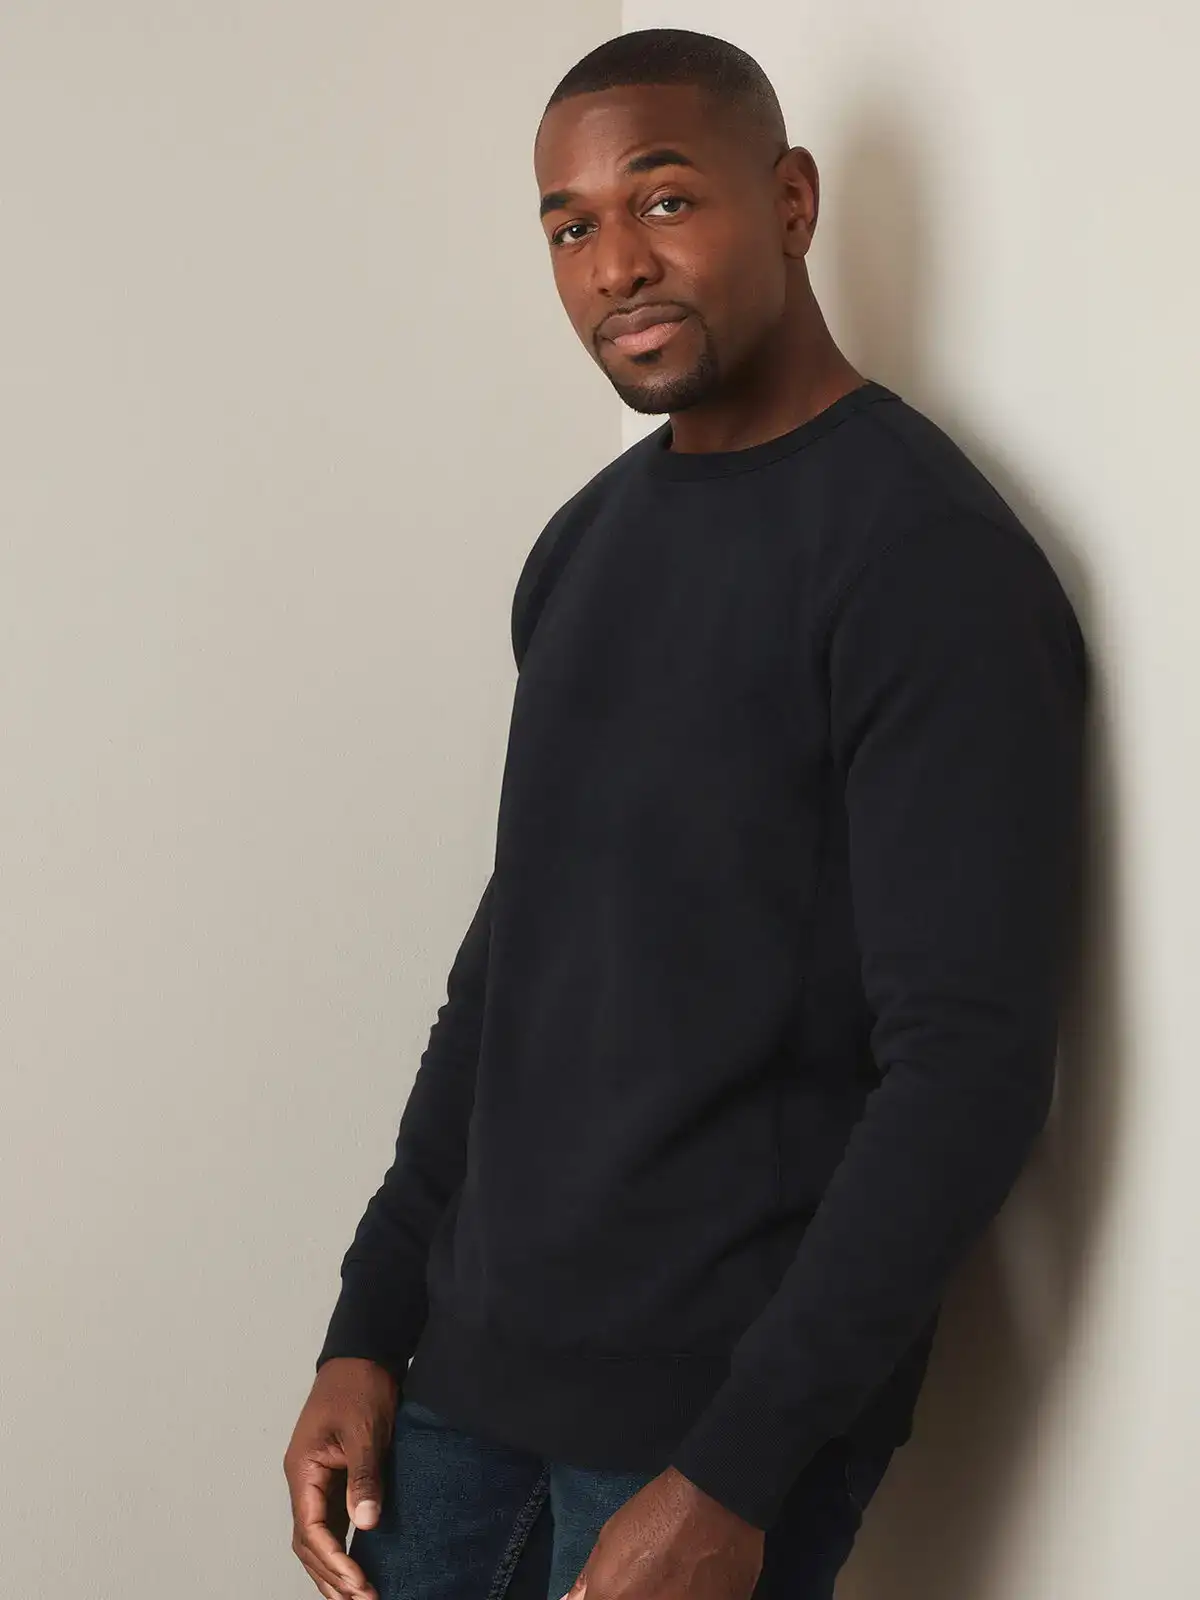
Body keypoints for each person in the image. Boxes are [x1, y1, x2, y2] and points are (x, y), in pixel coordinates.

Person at [283, 25, 1088, 1600]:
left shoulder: (926, 562)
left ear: (789, 201)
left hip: (701, 1427)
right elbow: (504, 981)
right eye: (570, 227)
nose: (615, 266)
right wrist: (366, 1326)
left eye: (663, 200)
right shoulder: (581, 550)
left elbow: (969, 1070)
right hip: (463, 1386)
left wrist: (740, 1466)